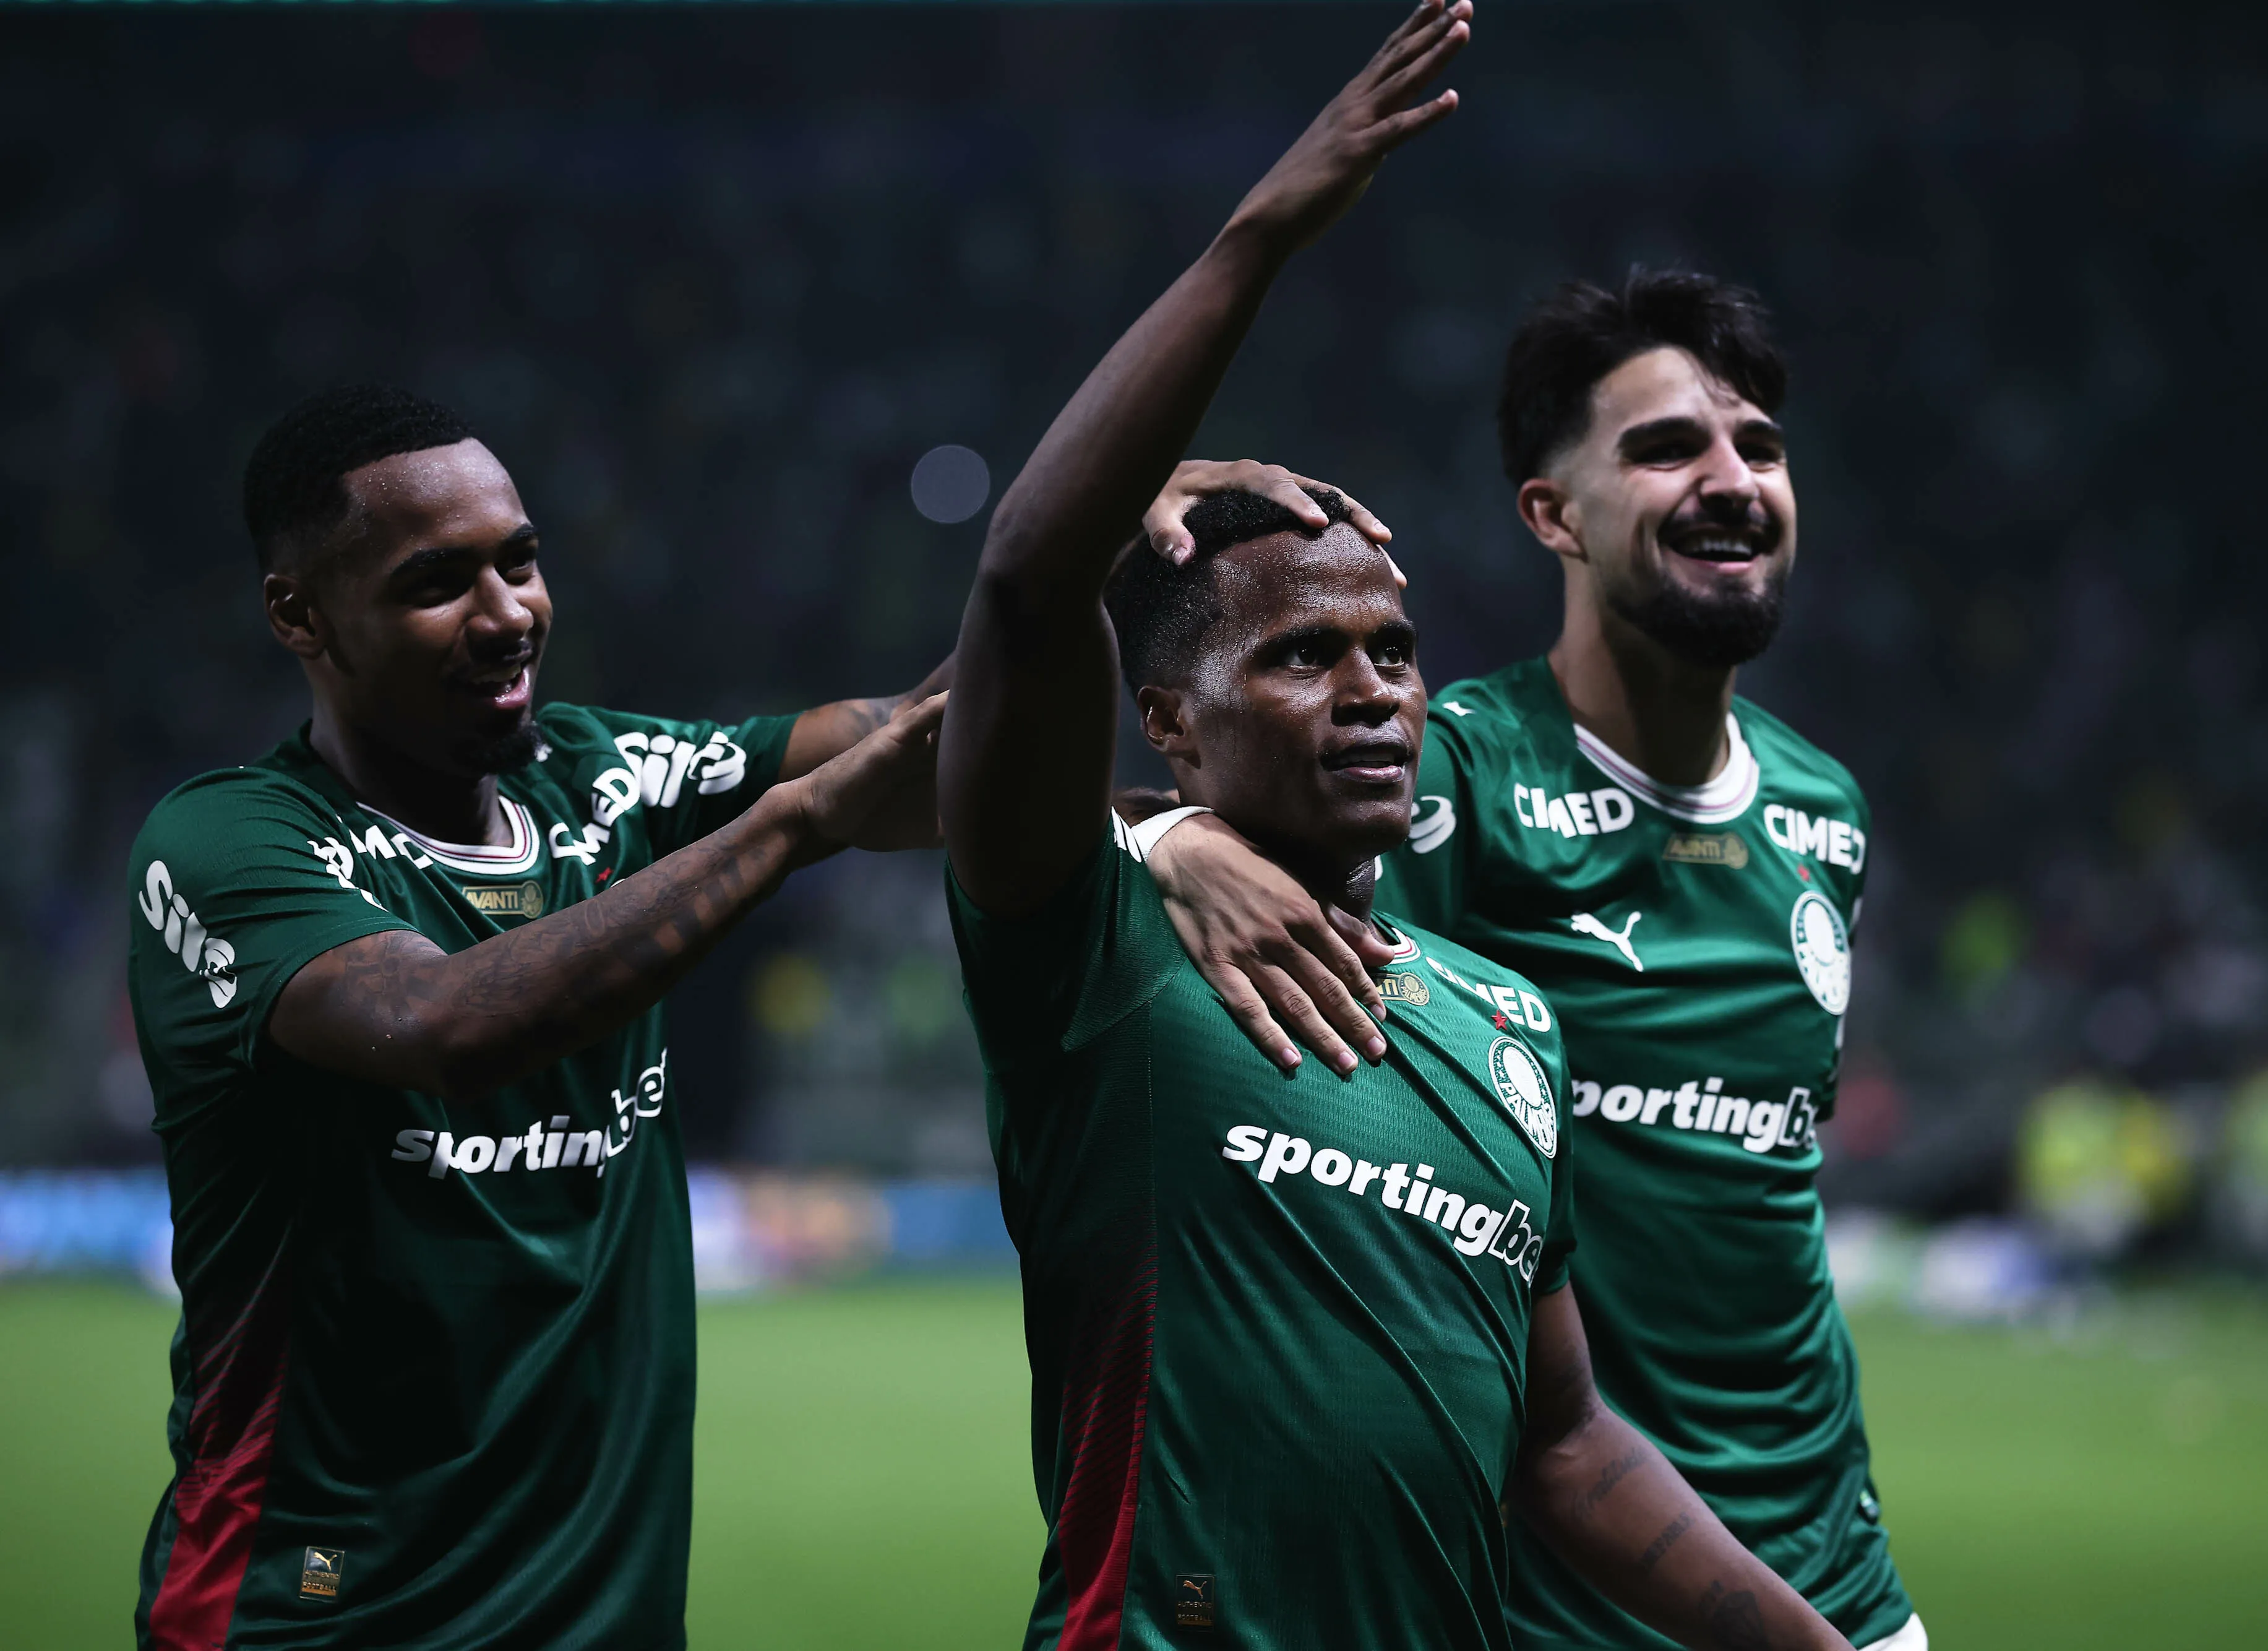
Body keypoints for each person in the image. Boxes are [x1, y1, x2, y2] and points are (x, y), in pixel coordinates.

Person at [939, 6, 1854, 1648]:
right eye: (1299, 655)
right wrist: (1258, 237)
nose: (1369, 688)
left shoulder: (1505, 1020)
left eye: (1393, 651)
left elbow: (1567, 1442)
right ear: (1169, 725)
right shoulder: (1089, 944)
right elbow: (1023, 584)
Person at [1138, 275, 1925, 1649]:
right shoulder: (1446, 776)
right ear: (1548, 512)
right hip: (1570, 1594)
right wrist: (1162, 837)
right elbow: (1011, 824)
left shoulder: (1824, 808)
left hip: (1834, 1576)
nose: (1732, 478)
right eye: (1666, 446)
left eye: (1760, 445)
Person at [123, 381, 964, 1651]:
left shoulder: (605, 780)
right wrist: (793, 821)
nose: (508, 612)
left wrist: (1093, 559)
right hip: (316, 1617)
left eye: (520, 560)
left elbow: (937, 743)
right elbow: (447, 1026)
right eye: (435, 581)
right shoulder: (229, 841)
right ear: (299, 612)